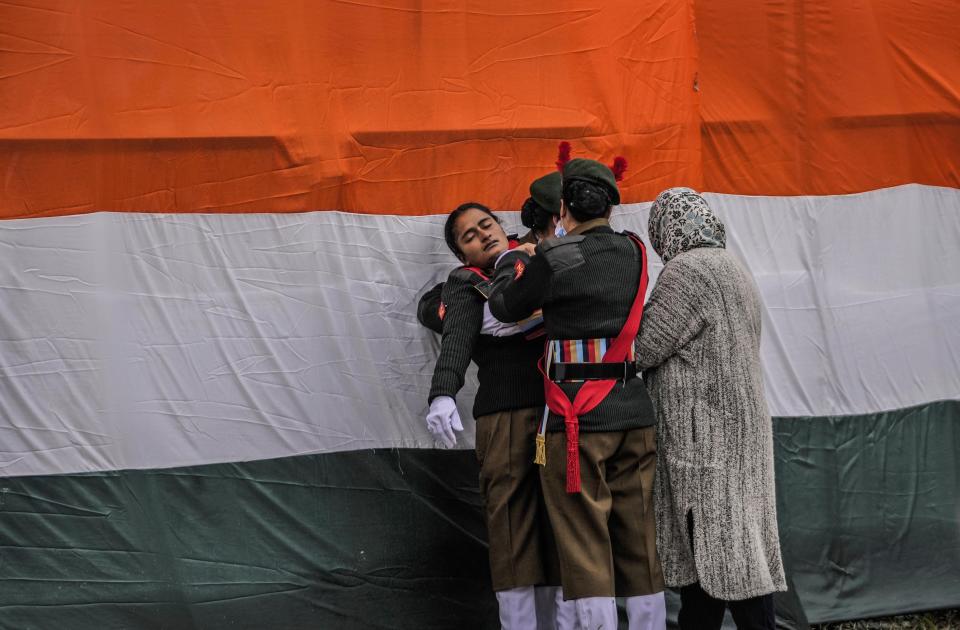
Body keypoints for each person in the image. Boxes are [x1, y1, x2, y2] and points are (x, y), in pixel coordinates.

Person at [487, 146, 666, 630]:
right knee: (639, 538)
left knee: (584, 543)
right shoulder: (633, 248)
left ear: (563, 208)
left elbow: (506, 307)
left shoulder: (556, 253)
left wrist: (515, 260)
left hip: (578, 418)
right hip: (634, 410)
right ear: (610, 206)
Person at [635, 187, 787, 630]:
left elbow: (645, 346)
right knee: (724, 557)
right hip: (738, 436)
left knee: (727, 557)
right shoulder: (731, 265)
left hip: (707, 444)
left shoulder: (687, 271)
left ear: (665, 229)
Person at [420, 200, 568, 629]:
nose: (483, 234)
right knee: (511, 527)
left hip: (558, 412)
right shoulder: (465, 283)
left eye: (486, 225)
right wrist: (443, 392)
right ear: (462, 254)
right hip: (503, 417)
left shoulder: (538, 255)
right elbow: (455, 334)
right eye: (470, 236)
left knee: (564, 522)